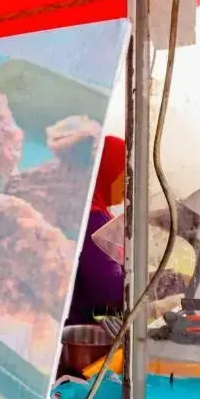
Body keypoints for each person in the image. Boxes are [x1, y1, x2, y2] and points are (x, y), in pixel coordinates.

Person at [67, 135, 126, 325]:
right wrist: (159, 284)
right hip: (81, 327)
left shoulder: (88, 211)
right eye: (124, 174)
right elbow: (108, 292)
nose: (128, 184)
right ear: (108, 171)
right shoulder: (94, 220)